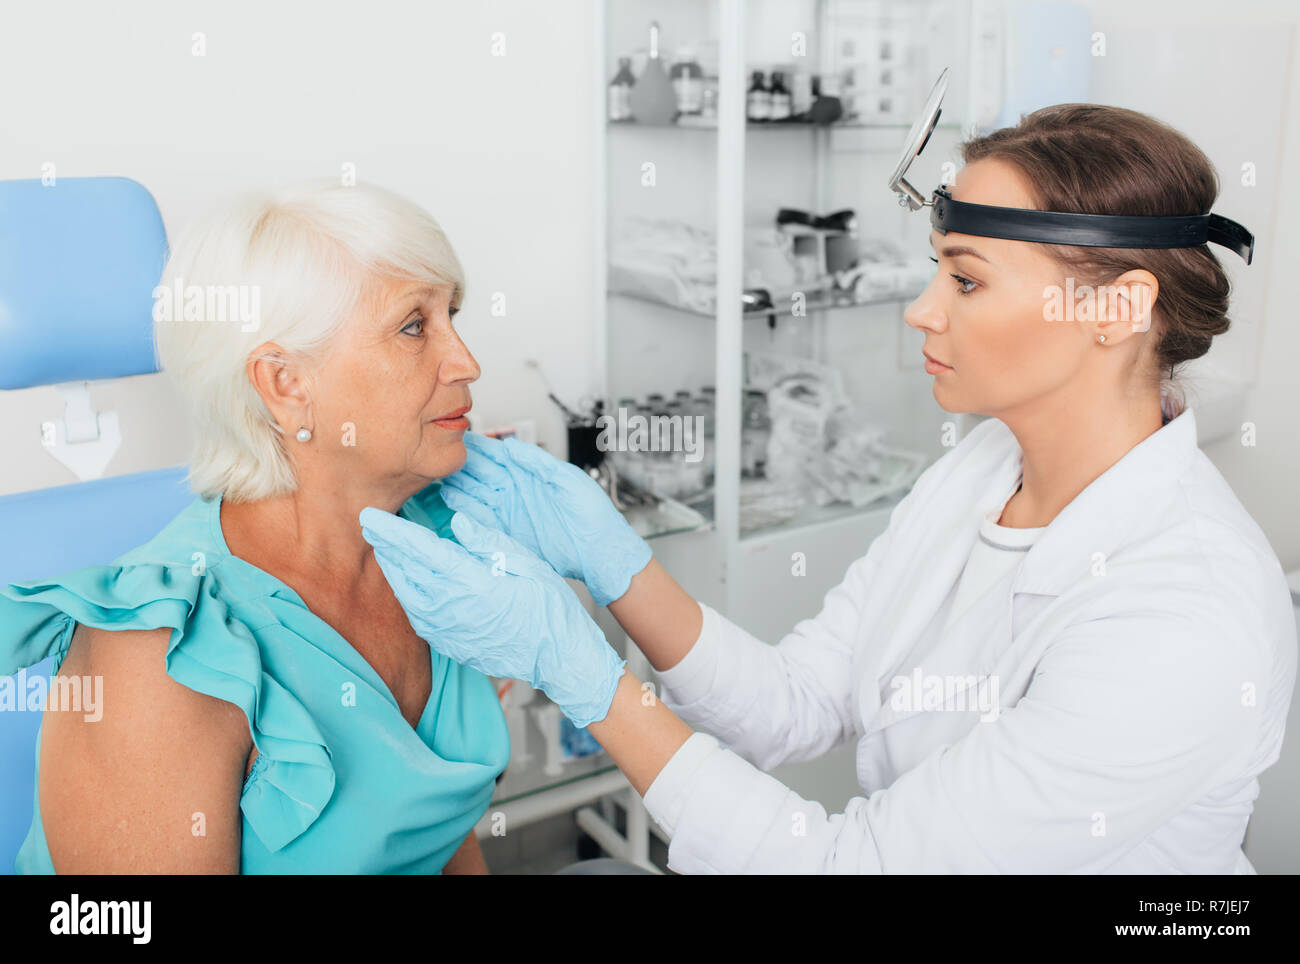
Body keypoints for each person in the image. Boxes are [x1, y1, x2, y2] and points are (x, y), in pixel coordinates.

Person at [360, 104, 1298, 874]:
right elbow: (798, 701)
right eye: (936, 268)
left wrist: (583, 675)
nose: (923, 309)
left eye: (966, 281)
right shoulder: (980, 466)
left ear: (1116, 308)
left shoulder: (1183, 615)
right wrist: (615, 565)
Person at [0, 179, 507, 873]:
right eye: (414, 326)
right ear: (285, 383)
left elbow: (434, 833)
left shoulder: (435, 552)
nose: (467, 362)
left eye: (452, 314)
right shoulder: (161, 655)